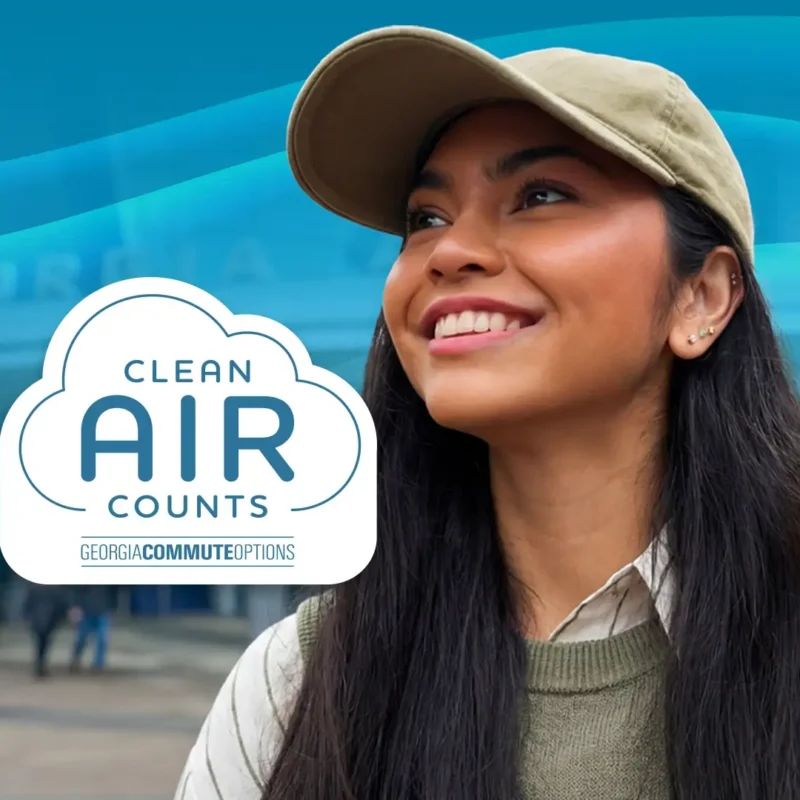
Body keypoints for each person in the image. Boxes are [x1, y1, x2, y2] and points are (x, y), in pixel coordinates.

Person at [176, 27, 800, 800]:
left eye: (542, 197)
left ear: (700, 296)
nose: (448, 252)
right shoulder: (295, 686)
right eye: (426, 217)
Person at [22, 582, 71, 678]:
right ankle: (40, 664)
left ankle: (40, 664)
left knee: (41, 643)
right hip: (45, 621)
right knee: (44, 643)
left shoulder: (37, 589)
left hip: (41, 621)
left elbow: (27, 605)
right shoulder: (55, 591)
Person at [69, 585, 116, 672]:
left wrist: (111, 609)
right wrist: (75, 607)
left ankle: (98, 664)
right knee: (81, 639)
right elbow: (77, 591)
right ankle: (76, 659)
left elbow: (112, 593)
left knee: (102, 638)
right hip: (86, 611)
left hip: (102, 611)